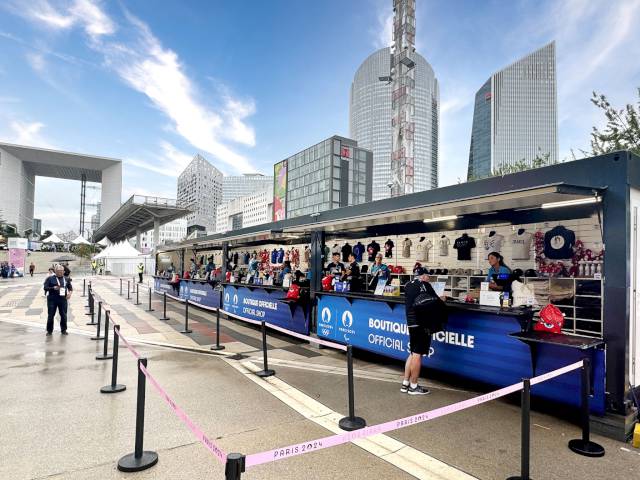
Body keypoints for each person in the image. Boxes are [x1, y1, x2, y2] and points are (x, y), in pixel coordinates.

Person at [401, 267, 446, 395]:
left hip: (411, 322)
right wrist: (442, 299)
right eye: (427, 275)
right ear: (423, 276)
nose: (429, 278)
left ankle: (405, 383)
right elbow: (436, 301)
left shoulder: (408, 285)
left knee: (413, 352)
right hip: (422, 323)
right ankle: (414, 386)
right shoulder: (425, 285)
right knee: (417, 354)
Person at [43, 264, 73, 335]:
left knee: (63, 315)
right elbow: (45, 287)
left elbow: (70, 288)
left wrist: (70, 294)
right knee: (51, 315)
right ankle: (49, 331)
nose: (61, 272)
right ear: (55, 271)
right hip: (52, 299)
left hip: (63, 299)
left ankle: (64, 330)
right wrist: (53, 288)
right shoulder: (50, 278)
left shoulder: (66, 278)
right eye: (59, 271)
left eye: (62, 271)